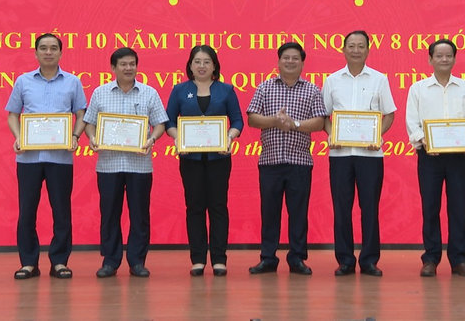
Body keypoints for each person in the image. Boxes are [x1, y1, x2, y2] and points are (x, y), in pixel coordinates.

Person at [5, 33, 87, 280]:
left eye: (53, 48)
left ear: (61, 52)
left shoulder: (72, 82)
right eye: (43, 48)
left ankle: (59, 261)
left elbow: (81, 115)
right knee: (27, 211)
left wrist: (75, 136)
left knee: (61, 211)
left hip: (60, 158)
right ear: (36, 53)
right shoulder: (23, 81)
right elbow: (12, 114)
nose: (48, 52)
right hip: (28, 158)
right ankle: (28, 263)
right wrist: (19, 137)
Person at [83, 48, 168, 278]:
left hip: (139, 165)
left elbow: (160, 123)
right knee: (109, 213)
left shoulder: (149, 93)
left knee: (139, 214)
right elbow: (89, 123)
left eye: (132, 64)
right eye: (123, 64)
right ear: (113, 68)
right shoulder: (100, 93)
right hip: (108, 165)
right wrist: (92, 138)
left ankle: (137, 261)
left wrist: (152, 139)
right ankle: (110, 261)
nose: (128, 68)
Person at [405, 38, 465, 278]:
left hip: (458, 157)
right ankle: (430, 259)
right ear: (430, 59)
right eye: (439, 55)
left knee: (459, 208)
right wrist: (424, 141)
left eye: (448, 55)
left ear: (455, 59)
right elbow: (412, 121)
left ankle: (459, 260)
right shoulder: (418, 89)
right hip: (429, 156)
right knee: (430, 207)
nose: (444, 59)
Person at [246, 42, 327, 275]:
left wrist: (294, 124)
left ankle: (297, 258)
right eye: (286, 58)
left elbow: (319, 122)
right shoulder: (265, 87)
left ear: (302, 63)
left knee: (298, 213)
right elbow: (252, 118)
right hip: (270, 162)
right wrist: (274, 121)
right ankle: (268, 257)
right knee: (269, 212)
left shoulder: (312, 90)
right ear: (278, 61)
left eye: (295, 58)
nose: (290, 62)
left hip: (299, 162)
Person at [322, 30, 397, 277]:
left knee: (370, 208)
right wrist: (332, 135)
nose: (356, 50)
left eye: (361, 46)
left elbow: (389, 114)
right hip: (340, 155)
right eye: (351, 46)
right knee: (341, 209)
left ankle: (369, 260)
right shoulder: (332, 80)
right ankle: (345, 260)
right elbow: (324, 115)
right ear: (343, 49)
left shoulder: (379, 79)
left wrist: (378, 136)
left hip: (370, 156)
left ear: (368, 50)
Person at [165, 45, 244, 277]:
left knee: (218, 206)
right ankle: (198, 259)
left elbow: (238, 121)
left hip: (219, 158)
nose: (202, 66)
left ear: (214, 66)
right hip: (190, 158)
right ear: (190, 65)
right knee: (195, 207)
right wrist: (178, 137)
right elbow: (169, 121)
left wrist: (229, 137)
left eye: (207, 62)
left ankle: (219, 259)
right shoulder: (179, 90)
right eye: (197, 61)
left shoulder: (226, 90)